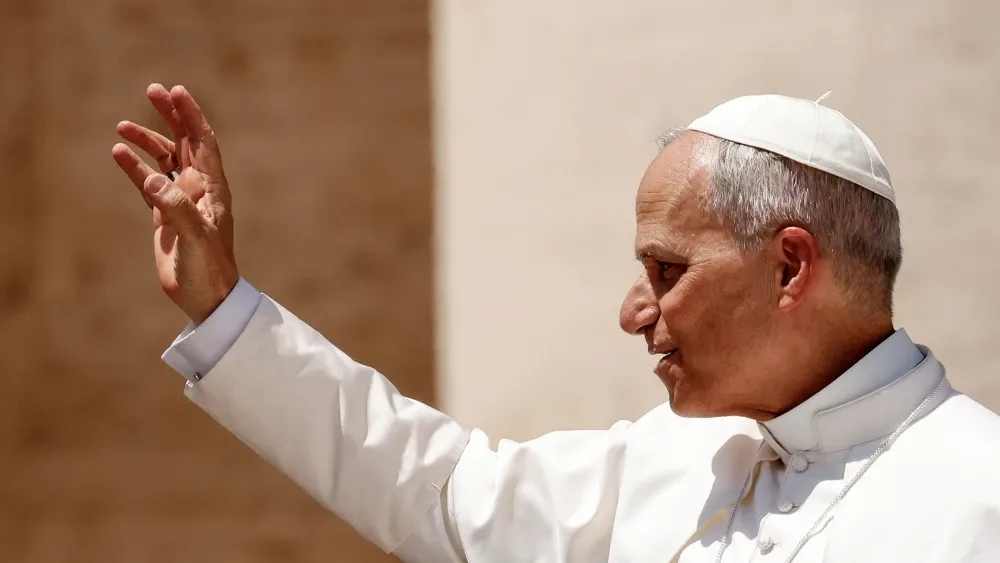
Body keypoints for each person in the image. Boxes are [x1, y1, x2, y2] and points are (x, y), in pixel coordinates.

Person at [111, 84, 1000, 562]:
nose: (633, 312)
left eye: (667, 270)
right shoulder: (683, 459)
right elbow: (434, 488)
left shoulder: (978, 499)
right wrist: (225, 307)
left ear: (791, 266)